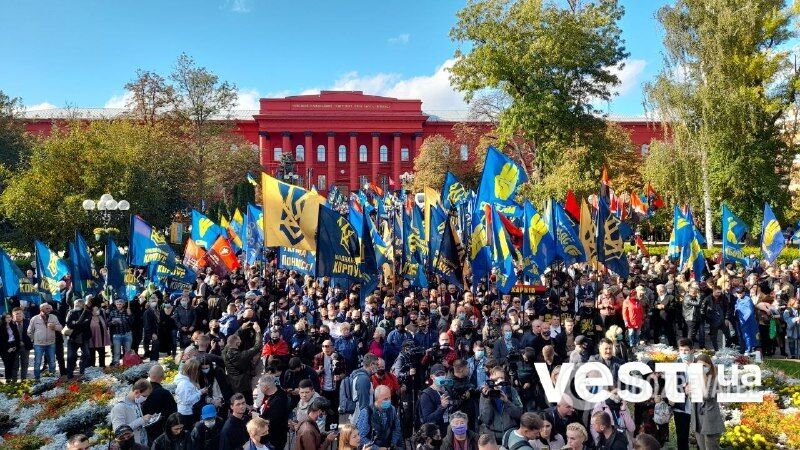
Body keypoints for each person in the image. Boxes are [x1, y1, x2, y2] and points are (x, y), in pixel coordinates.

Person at [688, 354, 725, 450]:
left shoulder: (714, 380)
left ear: (709, 366)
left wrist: (703, 377)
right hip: (698, 420)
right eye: (699, 366)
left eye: (704, 366)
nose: (701, 369)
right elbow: (692, 398)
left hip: (710, 421)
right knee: (702, 447)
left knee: (711, 447)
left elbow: (707, 396)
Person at [478, 366, 523, 443]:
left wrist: (507, 401)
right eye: (496, 379)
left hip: (510, 435)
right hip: (494, 436)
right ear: (491, 378)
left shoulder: (511, 391)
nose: (499, 381)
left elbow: (519, 414)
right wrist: (488, 400)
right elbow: (485, 419)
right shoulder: (485, 394)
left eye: (501, 378)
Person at [222, 321, 262, 404]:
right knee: (247, 404)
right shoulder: (242, 355)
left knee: (235, 403)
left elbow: (231, 340)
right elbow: (257, 347)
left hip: (232, 383)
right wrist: (258, 331)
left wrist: (241, 329)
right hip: (243, 385)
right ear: (238, 343)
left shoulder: (224, 352)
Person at [355, 385, 403, 450]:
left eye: (390, 398)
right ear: (377, 399)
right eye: (385, 399)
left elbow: (396, 428)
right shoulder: (367, 412)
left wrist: (392, 445)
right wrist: (377, 448)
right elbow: (361, 437)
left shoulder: (392, 409)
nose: (389, 401)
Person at [110, 379, 153, 447]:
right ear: (136, 392)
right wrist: (141, 420)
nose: (146, 398)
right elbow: (119, 432)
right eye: (144, 396)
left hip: (143, 444)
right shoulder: (119, 408)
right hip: (131, 446)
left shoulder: (136, 402)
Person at [142, 364, 178, 444]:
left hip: (143, 430)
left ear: (149, 375)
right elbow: (173, 414)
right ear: (162, 377)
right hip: (161, 432)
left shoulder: (141, 391)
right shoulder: (165, 393)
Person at [27, 302, 62, 381]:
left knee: (52, 362)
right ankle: (37, 379)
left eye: (49, 308)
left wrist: (54, 327)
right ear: (41, 309)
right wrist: (33, 339)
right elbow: (29, 331)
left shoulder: (53, 317)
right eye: (47, 308)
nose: (49, 310)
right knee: (37, 362)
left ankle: (52, 379)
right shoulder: (35, 318)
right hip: (38, 344)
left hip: (51, 343)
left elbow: (60, 327)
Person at [255, 373, 291, 450]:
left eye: (260, 386)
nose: (258, 388)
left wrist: (257, 419)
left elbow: (272, 422)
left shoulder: (277, 402)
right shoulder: (274, 392)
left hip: (274, 440)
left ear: (265, 388)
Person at [418, 363, 451, 435]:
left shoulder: (448, 390)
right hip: (435, 433)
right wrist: (442, 407)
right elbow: (427, 419)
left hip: (449, 430)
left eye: (442, 374)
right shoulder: (426, 394)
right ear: (432, 377)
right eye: (438, 375)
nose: (441, 377)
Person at [175, 358, 206, 428]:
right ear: (193, 371)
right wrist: (200, 392)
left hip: (188, 411)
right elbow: (187, 400)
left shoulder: (186, 381)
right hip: (186, 413)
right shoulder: (184, 384)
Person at [109, 298, 133, 366]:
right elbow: (108, 323)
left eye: (120, 304)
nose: (119, 305)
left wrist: (130, 314)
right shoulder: (112, 312)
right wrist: (112, 322)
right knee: (116, 352)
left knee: (128, 351)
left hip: (127, 334)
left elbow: (132, 323)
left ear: (123, 304)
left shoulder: (127, 311)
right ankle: (116, 365)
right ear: (115, 304)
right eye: (117, 304)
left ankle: (127, 364)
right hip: (117, 335)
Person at [10, 308, 31, 382]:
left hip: (25, 347)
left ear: (23, 314)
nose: (18, 315)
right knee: (14, 365)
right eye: (16, 314)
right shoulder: (9, 324)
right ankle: (14, 381)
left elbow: (32, 333)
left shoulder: (28, 322)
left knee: (25, 364)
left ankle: (23, 380)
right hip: (15, 348)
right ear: (13, 316)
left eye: (20, 313)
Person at [0, 313, 20, 383]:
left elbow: (17, 337)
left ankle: (14, 379)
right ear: (4, 319)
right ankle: (8, 379)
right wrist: (7, 349)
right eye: (7, 317)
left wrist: (15, 346)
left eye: (10, 317)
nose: (9, 318)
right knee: (7, 364)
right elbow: (1, 340)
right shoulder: (1, 327)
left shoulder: (13, 325)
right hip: (4, 348)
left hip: (13, 345)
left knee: (13, 364)